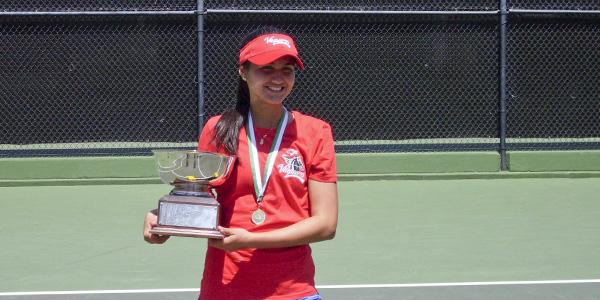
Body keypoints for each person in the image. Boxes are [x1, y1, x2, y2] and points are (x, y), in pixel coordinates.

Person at [143, 26, 338, 300]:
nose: (278, 78)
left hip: (293, 291)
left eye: (287, 69)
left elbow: (325, 224)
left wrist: (251, 239)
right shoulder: (218, 130)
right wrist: (162, 217)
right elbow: (199, 201)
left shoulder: (316, 132)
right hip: (224, 289)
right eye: (266, 68)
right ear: (243, 72)